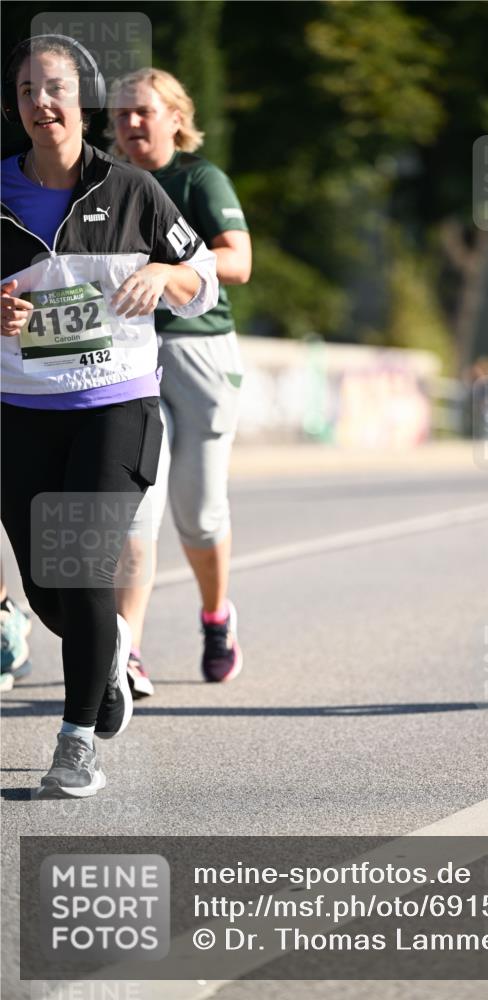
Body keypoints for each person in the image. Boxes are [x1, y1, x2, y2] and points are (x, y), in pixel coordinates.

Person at [0, 35, 218, 796]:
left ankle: (76, 738)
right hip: (21, 409)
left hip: (116, 400)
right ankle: (111, 650)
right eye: (27, 91)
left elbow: (205, 276)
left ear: (82, 101)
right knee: (47, 591)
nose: (41, 104)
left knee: (82, 565)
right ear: (15, 106)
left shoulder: (131, 190)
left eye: (54, 88)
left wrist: (163, 273)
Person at [108, 68, 251, 693]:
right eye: (120, 115)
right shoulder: (106, 185)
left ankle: (217, 618)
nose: (131, 124)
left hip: (200, 352)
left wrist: (167, 270)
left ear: (174, 116)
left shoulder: (199, 178)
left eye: (143, 111)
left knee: (197, 512)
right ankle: (127, 651)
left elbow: (239, 262)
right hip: (130, 355)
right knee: (136, 506)